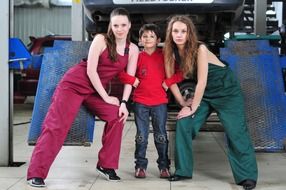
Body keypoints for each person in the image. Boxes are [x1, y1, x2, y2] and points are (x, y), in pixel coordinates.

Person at [27, 7, 139, 188]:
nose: (120, 29)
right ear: (111, 25)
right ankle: (36, 173)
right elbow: (91, 70)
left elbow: (129, 79)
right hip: (74, 85)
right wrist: (107, 97)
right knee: (56, 126)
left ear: (129, 25)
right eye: (116, 25)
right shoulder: (101, 40)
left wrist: (124, 103)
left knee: (117, 115)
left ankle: (106, 165)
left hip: (94, 91)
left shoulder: (132, 49)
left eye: (123, 25)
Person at [163, 15, 258, 190]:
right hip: (205, 94)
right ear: (170, 33)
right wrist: (183, 103)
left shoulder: (200, 49)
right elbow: (170, 80)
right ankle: (183, 170)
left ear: (189, 33)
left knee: (236, 131)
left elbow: (201, 82)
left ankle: (247, 176)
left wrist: (193, 106)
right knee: (184, 122)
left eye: (183, 31)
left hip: (226, 90)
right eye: (175, 31)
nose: (179, 35)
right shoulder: (170, 51)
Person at [130, 24, 170, 179]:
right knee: (141, 135)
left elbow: (181, 72)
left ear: (158, 39)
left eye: (152, 36)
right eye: (145, 36)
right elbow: (121, 73)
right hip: (140, 102)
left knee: (161, 134)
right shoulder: (137, 57)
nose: (148, 39)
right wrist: (131, 79)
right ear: (140, 40)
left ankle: (164, 166)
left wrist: (169, 81)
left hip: (160, 102)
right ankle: (140, 166)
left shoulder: (164, 56)